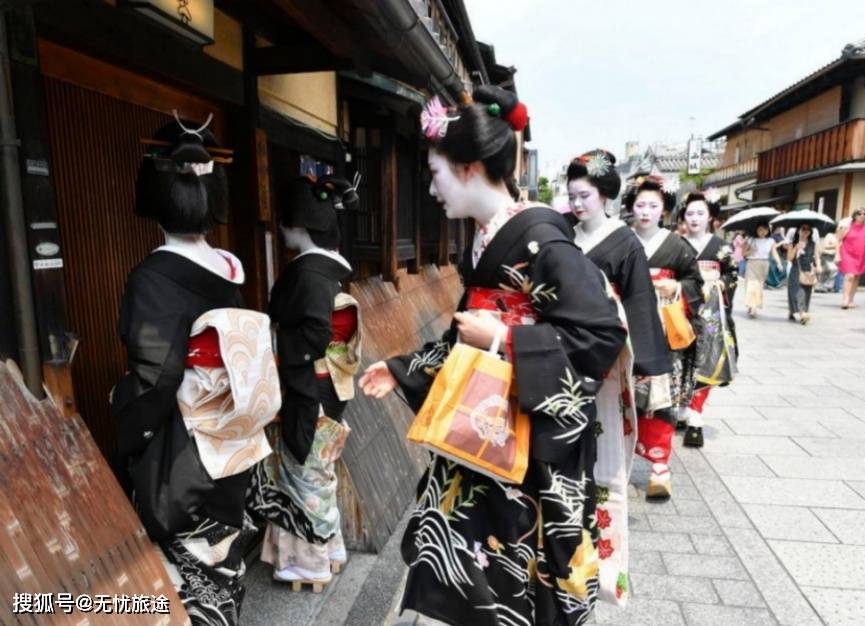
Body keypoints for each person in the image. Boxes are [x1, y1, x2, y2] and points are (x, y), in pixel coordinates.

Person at [358, 87, 626, 625]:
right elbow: (466, 336)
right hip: (487, 431)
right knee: (469, 568)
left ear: (469, 166)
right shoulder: (487, 242)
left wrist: (505, 341)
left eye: (434, 174)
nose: (432, 190)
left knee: (521, 576)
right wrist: (402, 367)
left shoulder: (543, 244)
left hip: (529, 444)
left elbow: (601, 335)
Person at [111, 114, 281, 624]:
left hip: (183, 444)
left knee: (185, 570)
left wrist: (129, 423)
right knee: (224, 556)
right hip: (232, 437)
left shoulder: (151, 278)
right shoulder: (230, 269)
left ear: (156, 196)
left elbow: (156, 373)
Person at [566, 149, 671, 604]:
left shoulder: (623, 242)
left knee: (603, 463)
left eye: (585, 195)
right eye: (571, 195)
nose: (577, 203)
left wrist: (646, 369)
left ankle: (602, 567)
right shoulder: (561, 237)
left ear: (606, 195)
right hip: (559, 361)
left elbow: (639, 305)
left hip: (606, 367)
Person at [247, 176, 362, 589]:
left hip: (310, 385)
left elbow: (314, 332)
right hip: (329, 384)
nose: (280, 230)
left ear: (300, 226)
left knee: (303, 473)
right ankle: (330, 550)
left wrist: (280, 352)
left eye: (284, 222)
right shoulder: (331, 268)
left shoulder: (309, 275)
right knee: (319, 467)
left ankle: (308, 563)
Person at [628, 176, 704, 499]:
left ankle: (660, 467)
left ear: (665, 210)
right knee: (623, 393)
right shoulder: (621, 240)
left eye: (653, 206)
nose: (645, 211)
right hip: (625, 323)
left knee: (660, 394)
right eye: (640, 204)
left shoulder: (676, 246)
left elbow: (695, 282)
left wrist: (677, 287)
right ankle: (617, 462)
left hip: (661, 328)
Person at [677, 193, 738, 448]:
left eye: (700, 213)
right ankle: (682, 408)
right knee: (680, 361)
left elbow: (733, 273)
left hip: (712, 313)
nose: (695, 218)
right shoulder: (676, 245)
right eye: (690, 213)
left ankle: (696, 417)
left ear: (710, 217)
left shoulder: (720, 247)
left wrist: (719, 283)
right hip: (682, 311)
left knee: (707, 362)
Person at [837, 208, 865, 308]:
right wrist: (837, 254)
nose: (862, 215)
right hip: (847, 254)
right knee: (850, 276)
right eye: (859, 213)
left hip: (862, 255)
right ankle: (845, 300)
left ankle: (851, 300)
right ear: (854, 215)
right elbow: (838, 240)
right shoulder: (847, 226)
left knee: (857, 276)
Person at [744, 223, 782, 318]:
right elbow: (743, 254)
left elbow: (774, 253)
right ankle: (752, 307)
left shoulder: (771, 240)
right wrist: (751, 251)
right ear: (756, 230)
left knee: (759, 286)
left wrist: (779, 263)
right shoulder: (750, 240)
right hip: (752, 263)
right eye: (760, 229)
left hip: (764, 264)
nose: (763, 232)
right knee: (751, 285)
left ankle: (754, 305)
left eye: (765, 229)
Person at [786, 224, 822, 324]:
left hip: (808, 270)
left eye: (808, 230)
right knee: (797, 291)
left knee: (807, 292)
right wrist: (796, 248)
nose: (806, 231)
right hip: (796, 269)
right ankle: (802, 314)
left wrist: (818, 266)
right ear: (798, 231)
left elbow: (817, 256)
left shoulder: (813, 244)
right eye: (803, 229)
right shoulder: (793, 243)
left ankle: (797, 311)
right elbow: (789, 258)